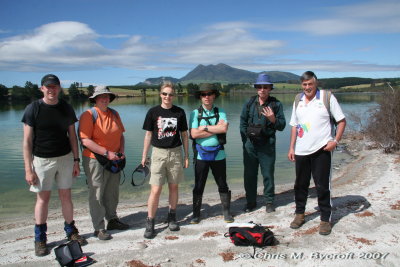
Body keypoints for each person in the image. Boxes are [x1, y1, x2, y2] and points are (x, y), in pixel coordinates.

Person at [22, 74, 87, 257]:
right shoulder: (33, 108)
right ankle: (40, 239)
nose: (51, 89)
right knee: (43, 199)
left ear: (59, 88)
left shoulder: (66, 108)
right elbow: (26, 141)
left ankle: (71, 232)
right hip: (42, 160)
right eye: (48, 87)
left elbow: (72, 136)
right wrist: (28, 168)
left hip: (65, 158)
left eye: (54, 86)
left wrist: (76, 160)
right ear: (42, 88)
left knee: (66, 196)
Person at [288, 71, 346, 235]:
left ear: (316, 84)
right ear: (302, 85)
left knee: (322, 186)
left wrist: (335, 141)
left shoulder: (326, 98)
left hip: (322, 149)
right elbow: (294, 125)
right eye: (304, 84)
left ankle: (325, 219)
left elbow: (341, 121)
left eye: (310, 84)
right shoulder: (297, 100)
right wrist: (291, 147)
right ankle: (299, 215)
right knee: (300, 185)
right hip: (301, 150)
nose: (307, 87)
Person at [79, 86, 129, 241]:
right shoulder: (88, 115)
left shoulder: (114, 113)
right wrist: (107, 153)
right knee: (97, 193)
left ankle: (112, 220)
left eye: (107, 96)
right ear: (95, 98)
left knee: (112, 191)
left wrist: (121, 152)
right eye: (101, 96)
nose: (105, 99)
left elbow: (120, 135)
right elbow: (85, 140)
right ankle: (99, 227)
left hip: (114, 159)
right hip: (95, 159)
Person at [141, 81, 189, 239]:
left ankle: (172, 216)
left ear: (174, 95)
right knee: (155, 189)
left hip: (175, 153)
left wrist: (187, 156)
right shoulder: (153, 112)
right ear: (160, 94)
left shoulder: (180, 112)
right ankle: (150, 221)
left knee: (174, 187)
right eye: (165, 94)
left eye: (170, 94)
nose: (167, 96)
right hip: (158, 154)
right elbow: (148, 135)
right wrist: (144, 156)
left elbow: (184, 136)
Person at [239, 73, 286, 213]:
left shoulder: (276, 104)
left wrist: (273, 119)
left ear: (270, 88)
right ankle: (251, 202)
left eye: (265, 87)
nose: (262, 89)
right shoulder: (249, 103)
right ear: (256, 88)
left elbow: (282, 126)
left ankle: (269, 202)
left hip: (267, 145)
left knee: (268, 174)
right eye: (259, 87)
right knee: (249, 175)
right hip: (250, 145)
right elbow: (242, 123)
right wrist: (245, 142)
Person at [189, 83, 234, 224]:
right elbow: (194, 134)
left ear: (214, 95)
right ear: (200, 97)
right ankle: (196, 214)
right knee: (199, 185)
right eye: (203, 94)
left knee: (222, 184)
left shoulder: (221, 112)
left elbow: (224, 129)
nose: (206, 97)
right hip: (200, 155)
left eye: (209, 94)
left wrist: (205, 127)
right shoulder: (194, 113)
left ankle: (226, 212)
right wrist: (215, 128)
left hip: (219, 154)